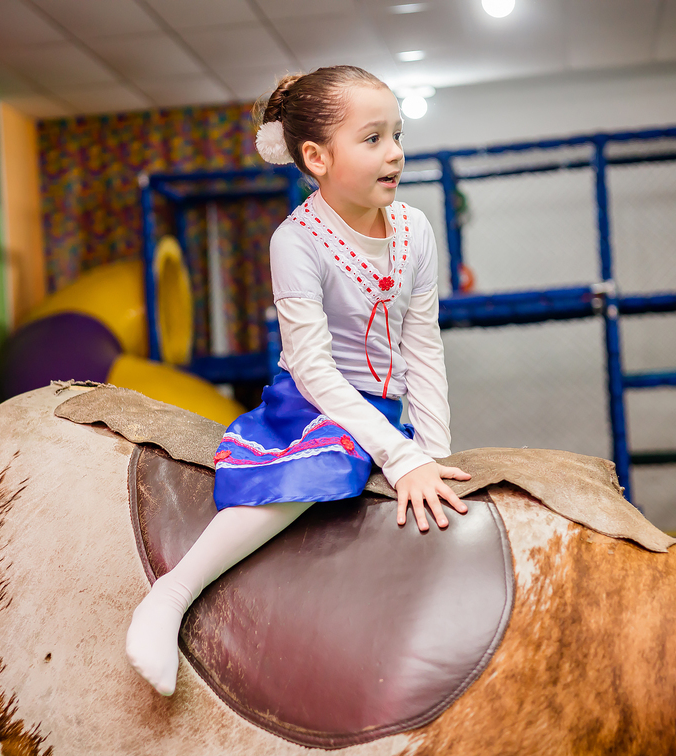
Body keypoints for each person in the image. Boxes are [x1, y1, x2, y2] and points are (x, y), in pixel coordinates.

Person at [126, 65, 470, 696]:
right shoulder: (297, 241)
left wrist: (432, 454)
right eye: (372, 139)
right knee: (326, 468)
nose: (394, 152)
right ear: (316, 157)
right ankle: (171, 596)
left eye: (398, 134)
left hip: (388, 410)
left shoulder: (416, 230)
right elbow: (313, 369)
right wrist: (396, 454)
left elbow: (424, 347)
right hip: (316, 404)